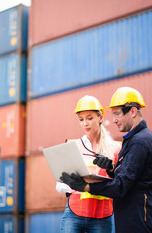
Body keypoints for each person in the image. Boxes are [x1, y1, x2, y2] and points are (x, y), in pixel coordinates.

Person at [60, 87, 152, 233]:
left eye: (117, 114)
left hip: (137, 215)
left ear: (133, 111)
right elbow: (128, 176)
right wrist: (111, 170)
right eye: (81, 119)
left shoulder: (138, 142)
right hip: (129, 212)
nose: (113, 120)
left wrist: (86, 187)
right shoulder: (133, 140)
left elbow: (121, 186)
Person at [57, 95, 122, 233]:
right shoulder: (73, 146)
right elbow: (60, 185)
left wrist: (111, 168)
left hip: (102, 216)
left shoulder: (116, 149)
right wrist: (72, 183)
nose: (85, 123)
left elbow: (122, 183)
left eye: (89, 118)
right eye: (81, 119)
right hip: (74, 213)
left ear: (100, 118)